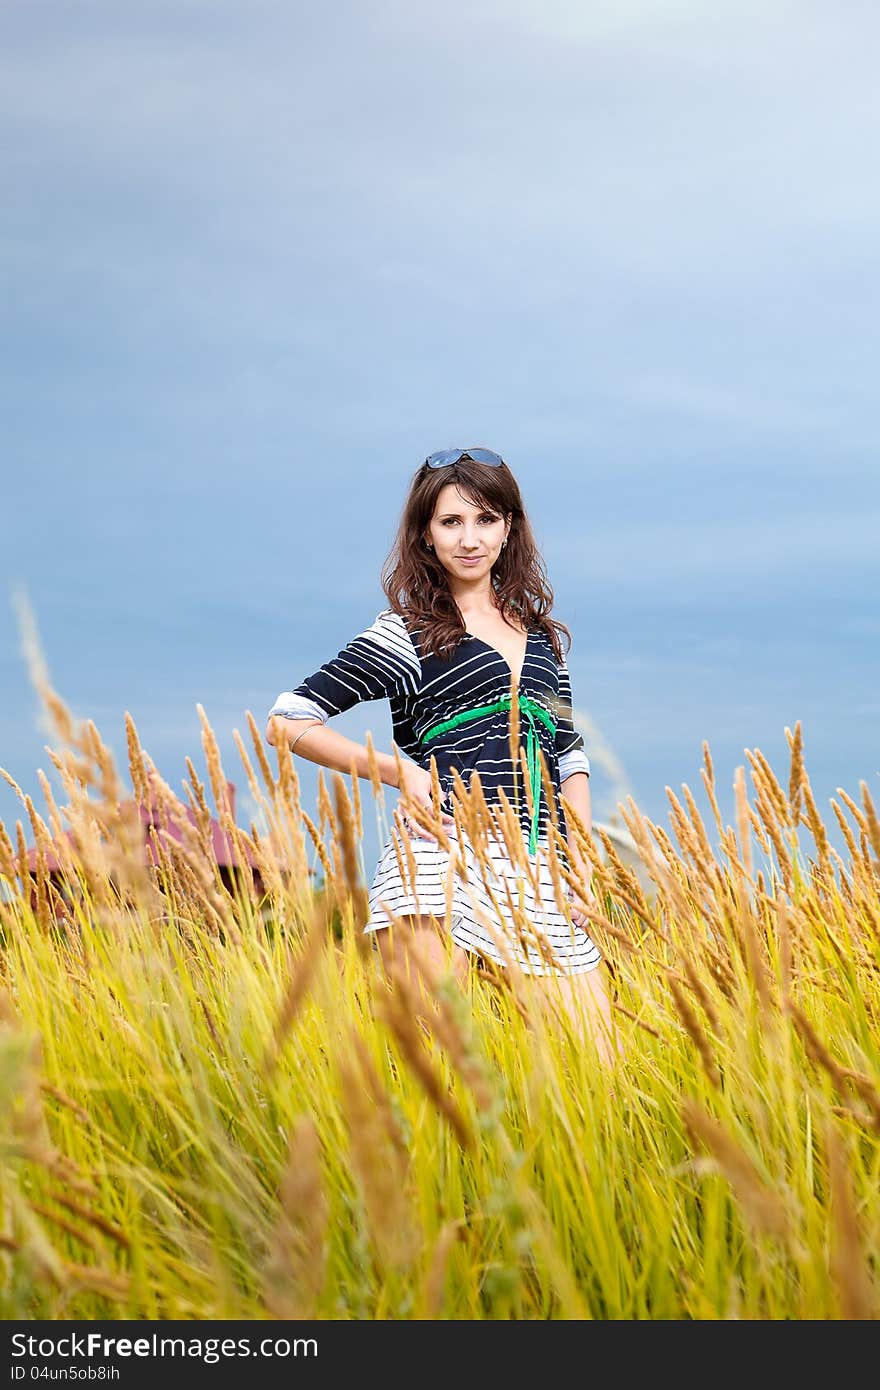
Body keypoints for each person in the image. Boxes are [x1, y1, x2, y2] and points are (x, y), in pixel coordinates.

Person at [266, 447, 616, 1061]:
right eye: (450, 523)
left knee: (596, 1063)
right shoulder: (406, 633)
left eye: (484, 520)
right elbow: (289, 719)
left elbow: (568, 755)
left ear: (509, 528)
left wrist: (580, 858)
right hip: (440, 862)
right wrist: (399, 771)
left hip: (540, 867)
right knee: (439, 1065)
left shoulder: (541, 640)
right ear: (426, 536)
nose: (469, 539)